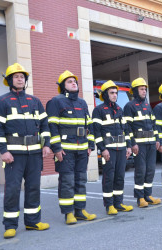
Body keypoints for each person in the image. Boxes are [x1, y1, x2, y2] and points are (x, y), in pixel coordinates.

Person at [0, 63, 51, 239]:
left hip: (34, 154)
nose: (20, 79)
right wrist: (3, 150)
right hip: (13, 156)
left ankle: (33, 222)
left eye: (22, 77)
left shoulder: (35, 101)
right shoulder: (1, 102)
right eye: (16, 76)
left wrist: (46, 144)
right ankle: (10, 225)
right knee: (12, 190)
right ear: (9, 80)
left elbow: (45, 125)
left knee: (33, 188)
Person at [46, 70, 96, 224]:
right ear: (63, 86)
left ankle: (80, 211)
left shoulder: (82, 103)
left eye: (75, 81)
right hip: (65, 151)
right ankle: (68, 213)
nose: (74, 83)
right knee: (67, 181)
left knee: (81, 180)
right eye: (69, 81)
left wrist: (90, 145)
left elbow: (89, 125)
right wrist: (56, 148)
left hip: (82, 149)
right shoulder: (56, 101)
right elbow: (52, 126)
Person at [92, 80, 133, 214]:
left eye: (116, 93)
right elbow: (96, 132)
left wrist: (128, 146)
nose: (115, 95)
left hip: (121, 149)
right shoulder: (98, 110)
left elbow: (125, 130)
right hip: (108, 150)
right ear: (105, 94)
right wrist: (102, 149)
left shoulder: (119, 109)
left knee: (120, 177)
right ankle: (109, 205)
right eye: (112, 93)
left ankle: (119, 203)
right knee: (109, 178)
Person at [123, 78, 161, 208]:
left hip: (151, 143)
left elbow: (154, 124)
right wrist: (132, 144)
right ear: (135, 91)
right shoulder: (129, 106)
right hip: (139, 145)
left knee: (150, 170)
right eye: (141, 89)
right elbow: (127, 127)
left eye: (145, 89)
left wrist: (157, 139)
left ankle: (148, 195)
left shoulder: (147, 105)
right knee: (141, 170)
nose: (144, 91)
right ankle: (140, 198)